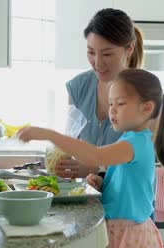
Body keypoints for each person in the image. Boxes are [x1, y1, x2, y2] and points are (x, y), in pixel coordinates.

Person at [18, 68, 164, 248]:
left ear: (146, 108)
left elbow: (94, 156)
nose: (112, 110)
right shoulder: (129, 138)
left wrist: (48, 134)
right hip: (120, 230)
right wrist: (103, 183)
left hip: (129, 236)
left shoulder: (136, 143)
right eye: (111, 103)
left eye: (120, 103)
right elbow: (125, 182)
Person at [54, 8, 144, 179]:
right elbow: (72, 141)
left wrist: (95, 169)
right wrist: (63, 161)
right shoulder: (78, 87)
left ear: (130, 48)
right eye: (91, 52)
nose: (97, 63)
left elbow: (142, 161)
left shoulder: (143, 93)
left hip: (127, 200)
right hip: (88, 198)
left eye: (107, 54)